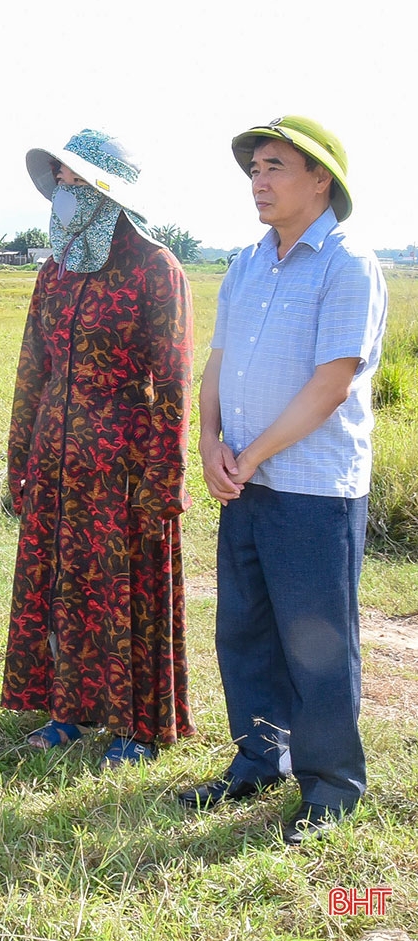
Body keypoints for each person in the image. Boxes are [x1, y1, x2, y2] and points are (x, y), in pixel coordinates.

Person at [179, 116, 387, 845]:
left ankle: (332, 786)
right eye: (254, 171)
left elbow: (333, 381)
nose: (259, 183)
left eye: (274, 168)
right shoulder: (247, 262)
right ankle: (261, 759)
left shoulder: (347, 263)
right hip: (246, 479)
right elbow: (219, 361)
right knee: (247, 631)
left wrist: (255, 450)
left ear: (320, 178)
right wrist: (207, 441)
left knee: (317, 641)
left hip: (312, 488)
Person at [0, 129, 195, 769]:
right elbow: (33, 369)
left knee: (126, 587)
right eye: (60, 180)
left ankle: (136, 727)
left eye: (76, 182)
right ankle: (68, 711)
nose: (63, 192)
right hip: (57, 459)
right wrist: (19, 460)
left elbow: (170, 378)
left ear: (108, 192)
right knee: (64, 583)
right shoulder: (54, 272)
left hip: (125, 461)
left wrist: (164, 480)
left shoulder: (153, 266)